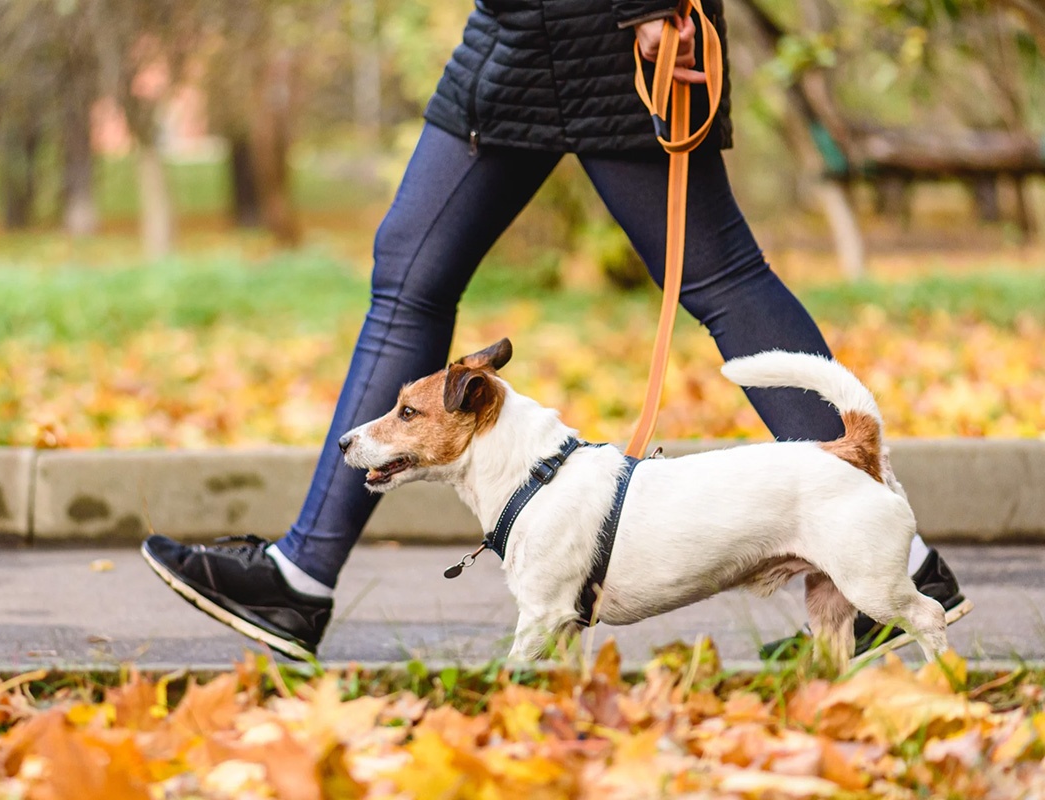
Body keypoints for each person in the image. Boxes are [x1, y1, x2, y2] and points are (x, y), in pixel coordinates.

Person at [141, 0, 967, 660]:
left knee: (716, 274)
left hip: (601, 26)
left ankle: (886, 555)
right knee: (411, 273)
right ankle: (301, 574)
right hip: (522, 28)